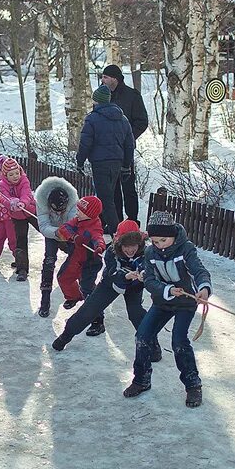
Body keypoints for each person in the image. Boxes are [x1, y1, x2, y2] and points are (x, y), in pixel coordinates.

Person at [123, 211, 212, 408]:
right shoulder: (150, 253)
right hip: (162, 302)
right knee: (142, 336)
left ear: (173, 235)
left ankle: (193, 385)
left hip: (185, 304)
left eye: (163, 240)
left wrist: (204, 288)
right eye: (155, 241)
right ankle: (141, 379)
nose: (159, 245)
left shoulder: (186, 249)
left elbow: (199, 271)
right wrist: (167, 289)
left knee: (179, 341)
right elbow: (150, 280)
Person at [52, 219, 161, 356]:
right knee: (89, 309)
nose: (130, 249)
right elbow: (113, 272)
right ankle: (65, 336)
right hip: (111, 283)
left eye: (134, 245)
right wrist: (126, 276)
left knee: (136, 314)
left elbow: (149, 267)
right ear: (119, 243)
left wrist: (144, 274)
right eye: (126, 246)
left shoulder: (146, 252)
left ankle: (152, 345)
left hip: (134, 287)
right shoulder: (111, 252)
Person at [76, 85, 135, 236]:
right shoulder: (122, 119)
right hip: (117, 162)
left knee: (105, 198)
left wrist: (80, 161)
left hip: (100, 163)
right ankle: (110, 225)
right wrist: (126, 165)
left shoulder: (92, 119)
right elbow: (129, 144)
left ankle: (118, 234)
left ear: (96, 101)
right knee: (114, 194)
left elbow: (85, 143)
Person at [35, 177, 96, 317]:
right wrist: (56, 233)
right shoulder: (41, 200)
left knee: (77, 260)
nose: (58, 213)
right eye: (55, 210)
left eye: (61, 210)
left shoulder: (75, 203)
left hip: (70, 233)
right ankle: (45, 299)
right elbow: (43, 225)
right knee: (49, 261)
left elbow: (75, 223)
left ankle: (84, 293)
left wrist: (67, 233)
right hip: (51, 232)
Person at [101, 64, 148, 224]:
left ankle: (132, 221)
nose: (103, 80)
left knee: (128, 187)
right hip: (106, 152)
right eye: (102, 77)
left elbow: (142, 122)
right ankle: (117, 222)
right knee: (112, 189)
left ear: (115, 78)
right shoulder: (102, 96)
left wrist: (128, 138)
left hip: (124, 151)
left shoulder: (132, 96)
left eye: (106, 77)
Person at [55, 196, 106, 310]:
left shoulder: (94, 227)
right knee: (63, 278)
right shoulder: (77, 220)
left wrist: (99, 248)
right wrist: (74, 236)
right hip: (75, 257)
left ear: (89, 214)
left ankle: (97, 318)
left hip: (90, 262)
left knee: (87, 288)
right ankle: (74, 296)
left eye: (80, 211)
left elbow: (98, 238)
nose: (77, 213)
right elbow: (64, 228)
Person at [0, 157, 38, 281]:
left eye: (17, 173)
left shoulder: (24, 180)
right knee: (21, 239)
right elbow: (4, 199)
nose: (15, 176)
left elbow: (27, 194)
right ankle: (22, 269)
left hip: (31, 211)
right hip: (17, 217)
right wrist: (11, 203)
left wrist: (23, 203)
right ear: (5, 175)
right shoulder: (2, 185)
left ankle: (65, 247)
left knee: (45, 230)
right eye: (11, 174)